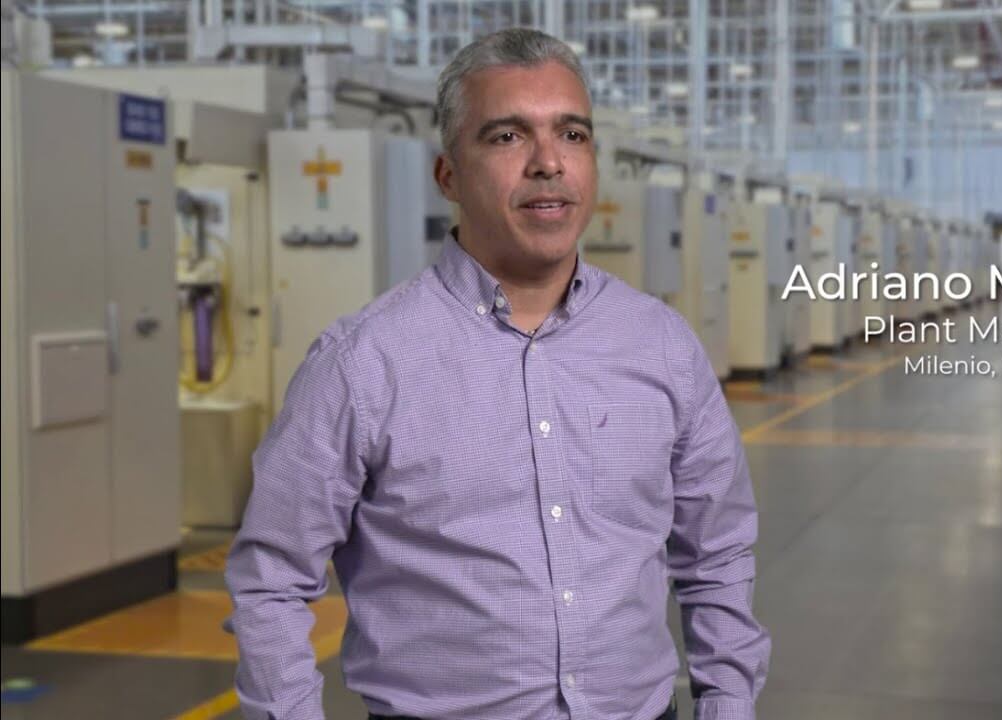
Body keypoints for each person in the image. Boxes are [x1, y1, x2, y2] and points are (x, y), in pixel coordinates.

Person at [225, 28, 770, 720]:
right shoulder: (364, 364)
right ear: (448, 175)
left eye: (572, 134)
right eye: (508, 137)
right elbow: (270, 579)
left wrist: (728, 704)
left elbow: (717, 552)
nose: (549, 163)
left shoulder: (662, 348)